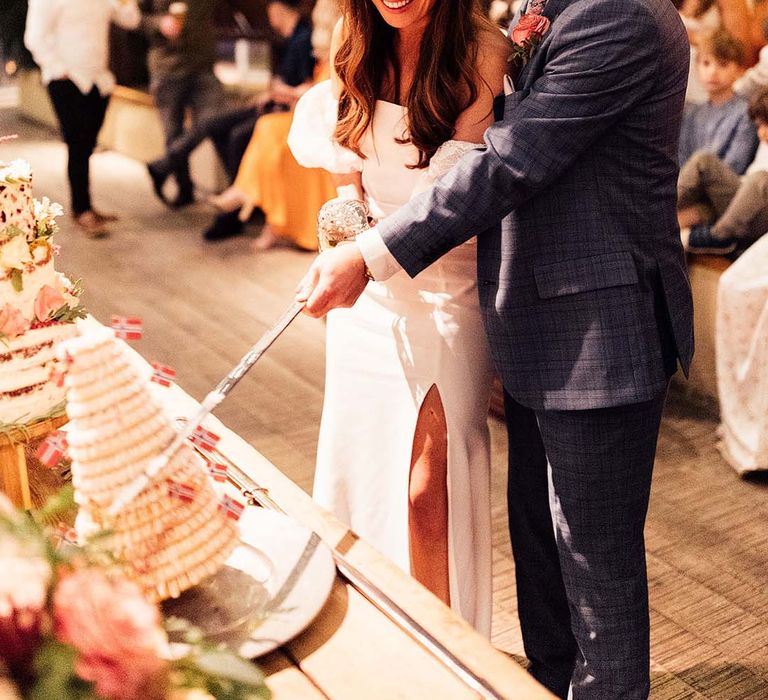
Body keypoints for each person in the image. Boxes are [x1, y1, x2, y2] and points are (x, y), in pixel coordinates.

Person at [296, 0, 694, 698]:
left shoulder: (620, 16)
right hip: (536, 324)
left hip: (599, 333)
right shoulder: (544, 10)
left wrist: (373, 251)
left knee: (597, 579)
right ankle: (546, 682)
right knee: (543, 563)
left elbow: (511, 162)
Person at [289, 0, 511, 636]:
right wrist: (345, 231)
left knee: (425, 491)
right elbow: (349, 174)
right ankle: (374, 637)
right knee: (361, 472)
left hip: (448, 293)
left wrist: (363, 256)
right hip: (369, 300)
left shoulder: (483, 52)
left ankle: (444, 652)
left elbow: (453, 202)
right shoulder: (352, 38)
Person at [189, 0, 316, 240]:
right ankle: (246, 195)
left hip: (289, 107)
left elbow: (308, 86)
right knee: (217, 126)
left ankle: (238, 206)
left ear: (277, 8)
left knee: (241, 134)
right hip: (279, 103)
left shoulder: (304, 37)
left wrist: (282, 91)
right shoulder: (293, 37)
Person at [24, 0, 141, 237]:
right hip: (65, 80)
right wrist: (57, 67)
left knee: (86, 145)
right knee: (77, 144)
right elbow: (34, 37)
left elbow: (131, 20)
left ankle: (85, 204)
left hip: (98, 80)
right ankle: (82, 209)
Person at [140, 0, 223, 208]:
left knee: (214, 118)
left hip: (203, 66)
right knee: (172, 132)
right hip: (167, 68)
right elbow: (135, 18)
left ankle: (163, 165)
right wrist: (159, 24)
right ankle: (184, 189)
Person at [678, 89, 768, 255]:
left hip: (761, 214)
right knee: (703, 161)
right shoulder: (764, 143)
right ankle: (659, 208)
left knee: (760, 178)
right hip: (741, 206)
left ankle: (719, 236)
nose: (762, 132)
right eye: (759, 125)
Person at [678, 29, 757, 175]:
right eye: (706, 64)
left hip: (721, 186)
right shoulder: (691, 113)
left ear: (739, 70)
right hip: (688, 185)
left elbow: (736, 164)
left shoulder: (746, 112)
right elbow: (681, 158)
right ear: (697, 67)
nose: (713, 72)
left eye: (723, 64)